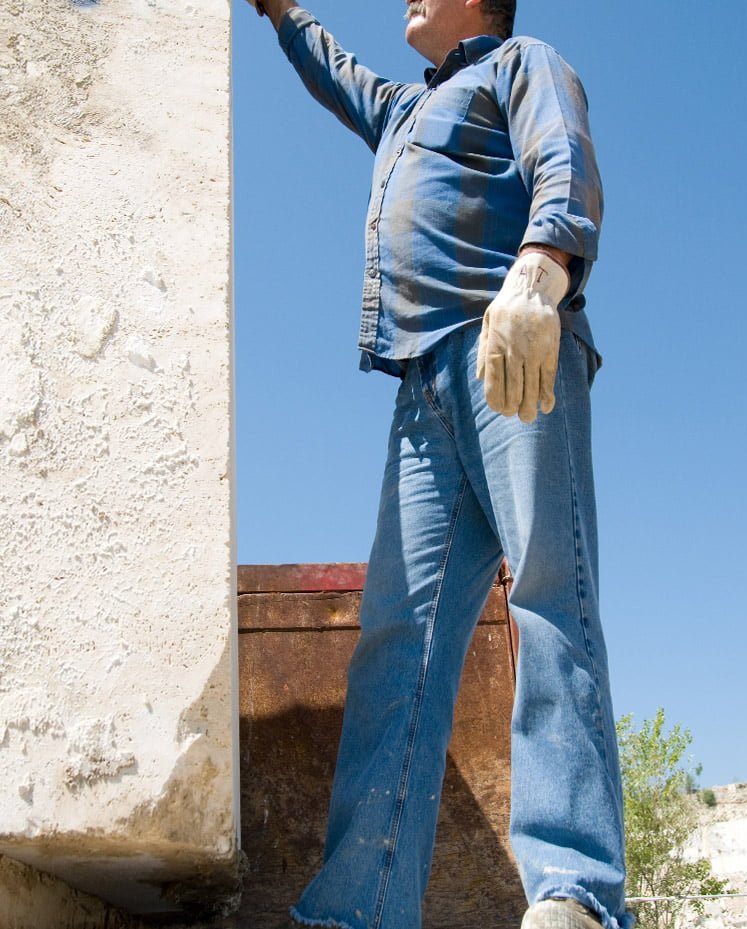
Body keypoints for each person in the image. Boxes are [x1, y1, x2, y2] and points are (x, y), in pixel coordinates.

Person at [247, 1, 632, 927]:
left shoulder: (517, 62)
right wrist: (277, 8)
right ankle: (359, 906)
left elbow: (563, 156)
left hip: (510, 349)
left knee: (547, 594)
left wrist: (542, 272)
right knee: (397, 642)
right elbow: (334, 73)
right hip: (420, 386)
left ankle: (573, 890)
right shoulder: (405, 109)